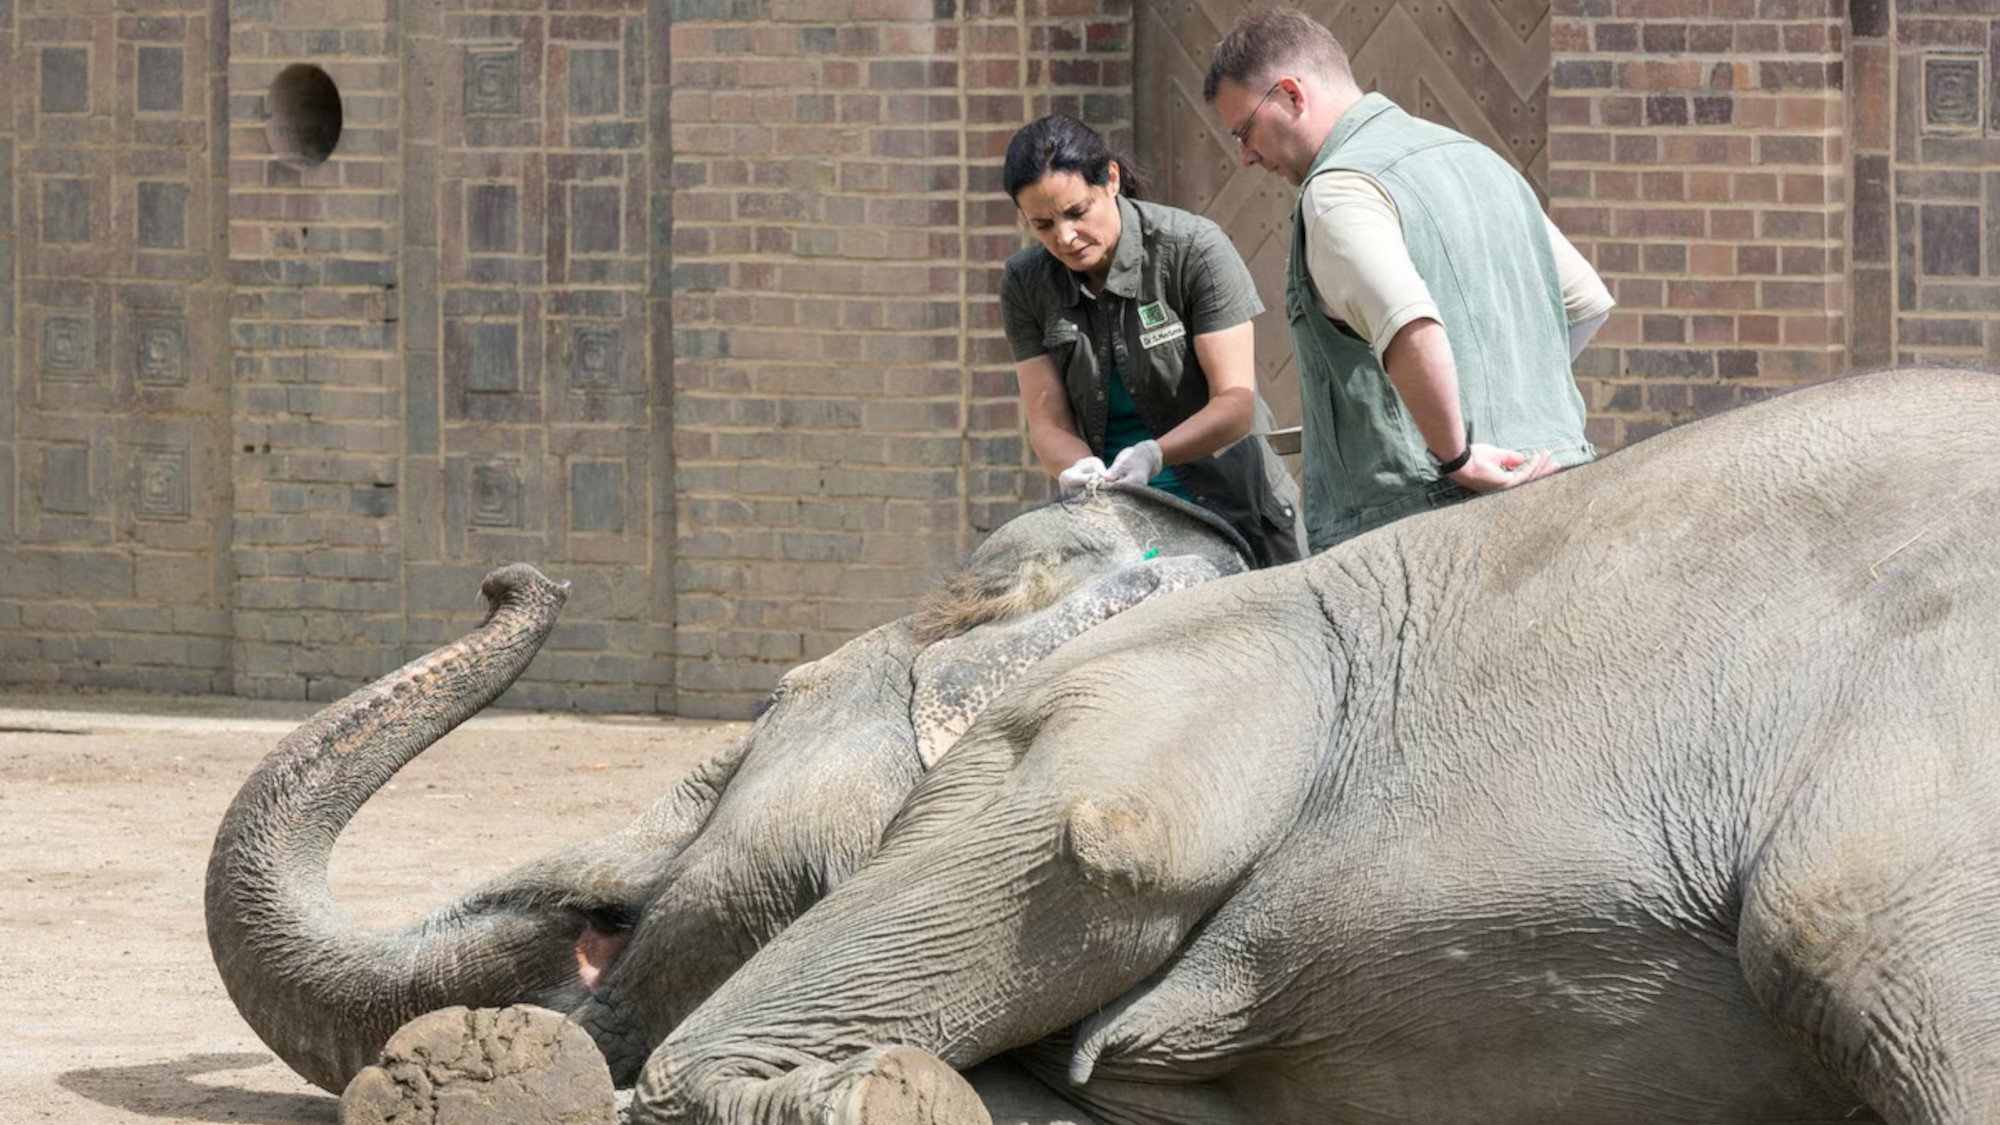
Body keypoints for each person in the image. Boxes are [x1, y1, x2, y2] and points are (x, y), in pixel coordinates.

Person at [1205, 9, 1615, 551]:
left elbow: (1409, 325)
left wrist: (1457, 456)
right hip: (1560, 487)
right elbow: (1584, 304)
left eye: (1244, 131)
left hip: (1421, 534)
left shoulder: (1338, 190)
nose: (1244, 157)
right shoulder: (1477, 158)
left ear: (1291, 95)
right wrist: (1508, 405)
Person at [999, 114, 1305, 567]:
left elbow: (1235, 403)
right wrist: (1078, 466)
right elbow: (1048, 423)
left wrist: (1154, 454)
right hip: (1118, 524)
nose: (1064, 237)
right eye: (1042, 225)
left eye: (1077, 212)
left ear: (1111, 180)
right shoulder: (1026, 282)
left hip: (1230, 510)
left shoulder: (1192, 248)